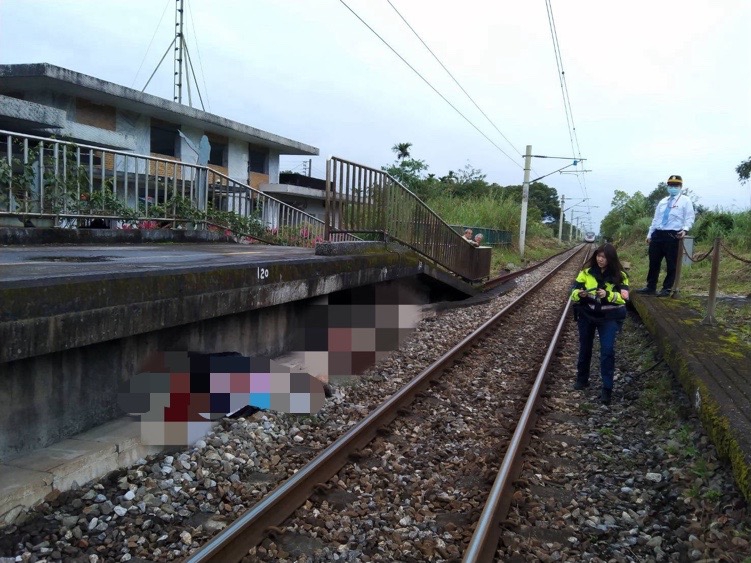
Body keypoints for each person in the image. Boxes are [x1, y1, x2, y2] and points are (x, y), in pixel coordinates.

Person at [570, 243, 629, 405]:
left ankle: (607, 388)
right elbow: (572, 293)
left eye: (604, 257)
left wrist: (607, 294)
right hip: (587, 315)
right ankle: (582, 379)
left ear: (611, 259)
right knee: (585, 347)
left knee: (607, 350)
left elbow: (624, 297)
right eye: (598, 256)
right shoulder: (586, 273)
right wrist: (579, 294)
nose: (600, 260)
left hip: (609, 317)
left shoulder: (621, 276)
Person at [636, 175, 695, 297]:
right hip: (658, 234)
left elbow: (689, 217)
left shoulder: (685, 200)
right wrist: (650, 234)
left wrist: (685, 229)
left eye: (676, 186)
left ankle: (667, 288)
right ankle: (650, 286)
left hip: (673, 234)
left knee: (671, 263)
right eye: (671, 185)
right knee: (654, 261)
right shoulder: (663, 202)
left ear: (680, 187)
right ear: (667, 186)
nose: (673, 188)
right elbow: (656, 219)